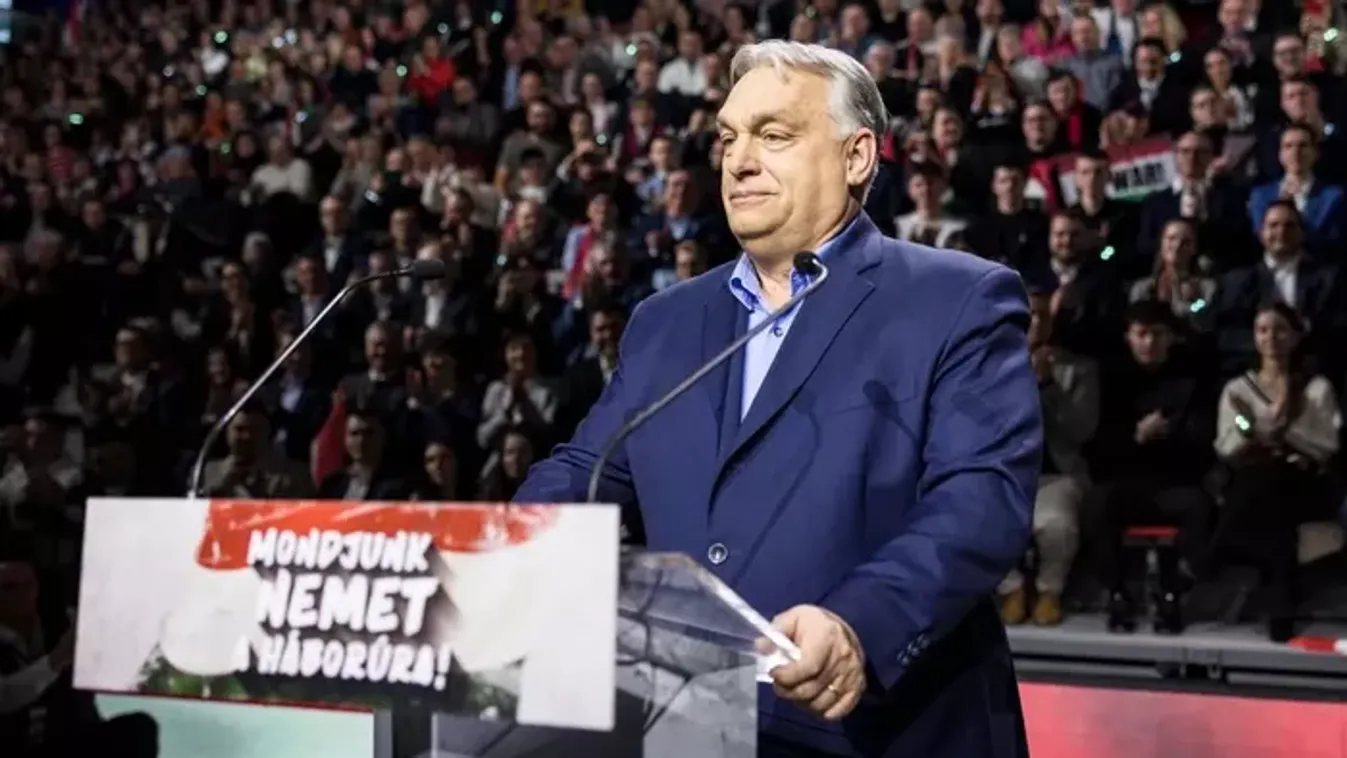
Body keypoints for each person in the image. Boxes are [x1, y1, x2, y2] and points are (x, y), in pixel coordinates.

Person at [514, 41, 1039, 758]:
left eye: (773, 135)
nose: (738, 160)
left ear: (857, 157)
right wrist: (491, 551)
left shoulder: (956, 299)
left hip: (880, 730)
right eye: (727, 138)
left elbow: (980, 501)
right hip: (689, 725)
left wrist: (858, 625)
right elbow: (586, 470)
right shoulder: (667, 322)